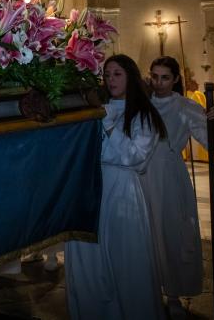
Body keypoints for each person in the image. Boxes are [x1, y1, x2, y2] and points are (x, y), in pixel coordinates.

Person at [65, 54, 166, 320]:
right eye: (107, 75)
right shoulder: (93, 110)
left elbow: (134, 157)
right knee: (89, 260)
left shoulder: (144, 115)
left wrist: (107, 122)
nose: (111, 80)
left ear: (130, 77)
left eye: (117, 74)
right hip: (90, 188)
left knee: (125, 260)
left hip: (122, 190)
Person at [146, 56, 214, 318]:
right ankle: (147, 291)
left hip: (169, 176)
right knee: (145, 234)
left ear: (176, 79)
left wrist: (211, 122)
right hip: (141, 175)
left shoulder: (185, 106)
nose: (159, 83)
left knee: (172, 233)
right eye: (154, 76)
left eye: (165, 77)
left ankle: (174, 294)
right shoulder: (141, 105)